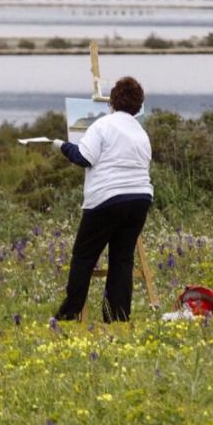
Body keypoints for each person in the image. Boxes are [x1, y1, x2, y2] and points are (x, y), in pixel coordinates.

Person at [52, 76, 153, 322]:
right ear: (139, 105)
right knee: (122, 258)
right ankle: (117, 315)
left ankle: (71, 311)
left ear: (112, 101)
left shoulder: (102, 125)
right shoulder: (141, 132)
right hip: (140, 198)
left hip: (106, 199)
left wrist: (62, 146)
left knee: (84, 256)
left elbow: (84, 157)